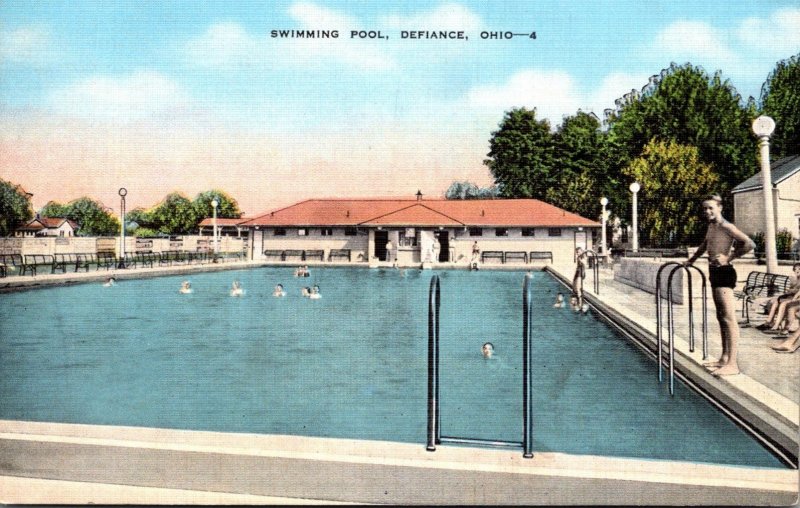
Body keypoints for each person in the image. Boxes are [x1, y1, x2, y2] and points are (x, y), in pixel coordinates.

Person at [684, 194, 754, 376]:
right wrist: (691, 260)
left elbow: (749, 244)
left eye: (711, 208)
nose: (707, 211)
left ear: (720, 208)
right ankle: (724, 358)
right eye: (705, 208)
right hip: (714, 272)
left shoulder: (726, 226)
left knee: (729, 318)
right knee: (721, 316)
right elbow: (705, 244)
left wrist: (728, 258)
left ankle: (733, 364)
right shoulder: (711, 226)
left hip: (724, 273)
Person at [756, 263, 800, 330]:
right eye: (795, 269)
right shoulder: (795, 279)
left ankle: (776, 325)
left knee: (783, 304)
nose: (797, 271)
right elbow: (793, 289)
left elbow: (798, 292)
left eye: (799, 269)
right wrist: (789, 291)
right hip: (791, 297)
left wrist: (792, 292)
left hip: (796, 299)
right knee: (774, 301)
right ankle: (769, 322)